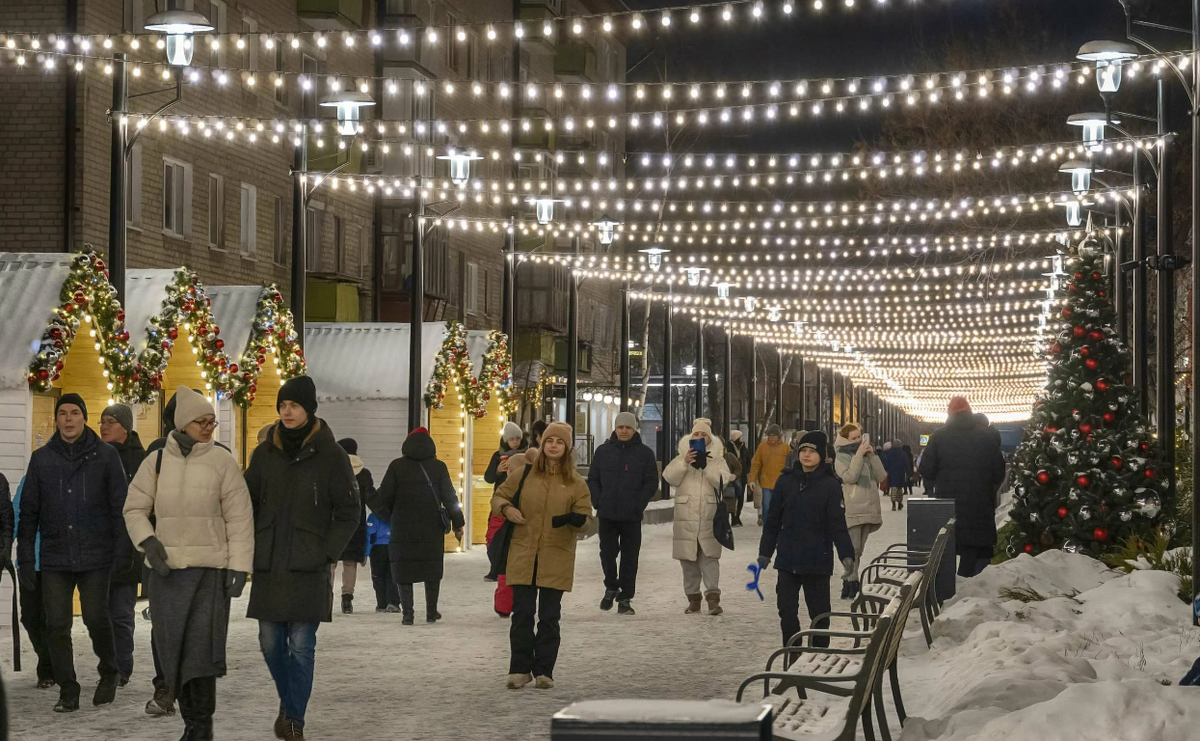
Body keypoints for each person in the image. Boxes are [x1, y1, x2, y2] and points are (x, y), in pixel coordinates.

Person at [124, 387, 254, 741]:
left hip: (209, 574)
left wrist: (239, 567)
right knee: (172, 653)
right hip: (167, 573)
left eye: (212, 421)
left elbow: (240, 518)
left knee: (202, 656)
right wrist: (148, 542)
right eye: (202, 421)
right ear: (183, 423)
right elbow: (134, 508)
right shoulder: (156, 462)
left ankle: (200, 727)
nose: (209, 426)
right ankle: (189, 723)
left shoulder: (222, 462)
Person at [244, 376, 361, 741]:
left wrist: (327, 551)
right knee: (269, 642)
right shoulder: (263, 454)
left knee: (302, 646)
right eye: (282, 406)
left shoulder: (331, 455)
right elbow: (245, 504)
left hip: (309, 565)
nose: (286, 412)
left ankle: (294, 718)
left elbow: (349, 511)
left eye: (293, 405)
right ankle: (288, 699)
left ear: (309, 408)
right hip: (269, 562)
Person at [17, 393, 130, 712]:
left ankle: (109, 671)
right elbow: (29, 512)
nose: (68, 419)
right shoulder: (41, 459)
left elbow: (119, 508)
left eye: (75, 413)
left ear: (84, 417)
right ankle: (68, 688)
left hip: (96, 555)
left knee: (96, 618)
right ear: (57, 419)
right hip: (54, 556)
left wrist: (123, 553)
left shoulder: (106, 456)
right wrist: (27, 557)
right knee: (56, 624)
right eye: (62, 413)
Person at [492, 422, 591, 690]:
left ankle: (544, 670)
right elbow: (499, 496)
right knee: (522, 614)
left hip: (556, 556)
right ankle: (519, 669)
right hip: (523, 553)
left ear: (567, 447)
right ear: (542, 444)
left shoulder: (576, 483)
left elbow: (588, 521)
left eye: (559, 442)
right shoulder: (524, 474)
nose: (554, 446)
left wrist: (577, 519)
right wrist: (506, 509)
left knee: (549, 617)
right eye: (550, 441)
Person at [757, 430, 856, 648]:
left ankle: (819, 652)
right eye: (803, 450)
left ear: (822, 454)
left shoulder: (830, 485)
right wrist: (765, 552)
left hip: (817, 560)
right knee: (786, 610)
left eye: (812, 451)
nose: (807, 455)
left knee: (819, 614)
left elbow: (837, 525)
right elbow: (772, 520)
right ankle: (792, 651)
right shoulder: (785, 481)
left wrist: (847, 555)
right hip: (787, 558)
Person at [368, 428, 464, 625]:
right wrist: (458, 522)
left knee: (404, 570)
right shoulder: (438, 467)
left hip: (402, 527)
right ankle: (431, 612)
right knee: (431, 569)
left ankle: (408, 614)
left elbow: (384, 497)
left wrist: (389, 517)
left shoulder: (396, 467)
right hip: (432, 528)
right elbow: (450, 497)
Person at [921, 397, 1007, 578]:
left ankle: (947, 589)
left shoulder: (939, 436)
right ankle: (969, 587)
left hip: (947, 504)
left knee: (947, 546)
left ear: (949, 413)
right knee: (974, 548)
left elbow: (926, 470)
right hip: (979, 503)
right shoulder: (986, 436)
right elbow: (999, 472)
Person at [587, 411, 658, 615]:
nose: (624, 431)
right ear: (615, 429)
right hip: (607, 512)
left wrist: (639, 502)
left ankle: (625, 597)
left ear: (634, 428)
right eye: (621, 427)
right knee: (607, 553)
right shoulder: (603, 451)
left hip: (631, 515)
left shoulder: (645, 454)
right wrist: (598, 500)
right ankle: (611, 585)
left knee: (630, 557)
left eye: (628, 427)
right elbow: (593, 478)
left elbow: (651, 481)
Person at [664, 419, 733, 616]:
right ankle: (693, 599)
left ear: (710, 439)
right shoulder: (681, 457)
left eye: (704, 435)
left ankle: (713, 599)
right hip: (685, 518)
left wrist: (706, 465)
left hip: (709, 517)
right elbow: (670, 477)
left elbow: (722, 481)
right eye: (697, 435)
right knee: (688, 560)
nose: (700, 438)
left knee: (709, 558)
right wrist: (685, 462)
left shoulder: (718, 460)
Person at [99, 403, 146, 687]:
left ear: (125, 427)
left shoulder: (141, 460)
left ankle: (121, 668)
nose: (104, 426)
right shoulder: (94, 456)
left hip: (128, 548)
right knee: (98, 614)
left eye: (110, 421)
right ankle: (108, 665)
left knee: (121, 613)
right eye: (101, 421)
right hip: (97, 548)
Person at [11, 473, 54, 690]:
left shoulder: (68, 480)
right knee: (29, 617)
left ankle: (49, 668)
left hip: (58, 563)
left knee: (53, 619)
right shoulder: (29, 479)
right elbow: (16, 514)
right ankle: (50, 661)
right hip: (29, 562)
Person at [833, 423, 885, 599]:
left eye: (859, 437)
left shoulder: (867, 454)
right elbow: (849, 477)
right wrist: (859, 455)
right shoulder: (841, 455)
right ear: (845, 439)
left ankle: (850, 581)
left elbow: (881, 476)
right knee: (853, 548)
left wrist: (872, 455)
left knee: (859, 549)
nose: (858, 440)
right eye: (853, 438)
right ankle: (850, 581)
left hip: (869, 506)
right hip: (853, 506)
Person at [484, 422, 526, 617]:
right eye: (512, 439)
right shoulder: (497, 455)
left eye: (517, 438)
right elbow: (488, 478)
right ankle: (495, 567)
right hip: (500, 504)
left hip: (521, 505)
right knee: (494, 538)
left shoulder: (529, 455)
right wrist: (499, 470)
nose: (515, 442)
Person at [333, 439, 373, 615]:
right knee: (350, 563)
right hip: (356, 523)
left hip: (333, 523)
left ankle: (326, 599)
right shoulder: (364, 474)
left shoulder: (333, 471)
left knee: (330, 563)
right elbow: (371, 498)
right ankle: (347, 598)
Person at [748, 424, 790, 526]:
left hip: (781, 482)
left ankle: (779, 525)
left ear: (779, 436)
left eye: (774, 435)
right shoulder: (762, 447)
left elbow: (790, 465)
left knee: (780, 506)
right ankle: (767, 526)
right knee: (766, 505)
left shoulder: (786, 448)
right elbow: (756, 464)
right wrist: (751, 480)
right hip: (766, 481)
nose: (771, 438)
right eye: (769, 435)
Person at [365, 510, 399, 612]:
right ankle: (393, 602)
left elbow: (369, 535)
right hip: (393, 546)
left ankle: (381, 603)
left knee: (377, 576)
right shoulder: (395, 514)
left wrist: (366, 553)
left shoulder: (373, 516)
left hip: (377, 549)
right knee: (392, 575)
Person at [728, 430, 752, 526]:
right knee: (733, 497)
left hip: (742, 477)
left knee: (741, 497)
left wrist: (746, 471)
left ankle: (737, 516)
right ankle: (733, 516)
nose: (742, 439)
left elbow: (748, 461)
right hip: (732, 476)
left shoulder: (744, 448)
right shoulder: (728, 448)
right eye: (740, 437)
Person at [880, 439, 911, 512]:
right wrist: (909, 473)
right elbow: (906, 464)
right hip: (901, 473)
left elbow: (886, 464)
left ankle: (893, 504)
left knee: (893, 489)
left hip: (892, 473)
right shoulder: (903, 454)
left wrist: (885, 469)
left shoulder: (890, 453)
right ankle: (899, 503)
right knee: (899, 490)